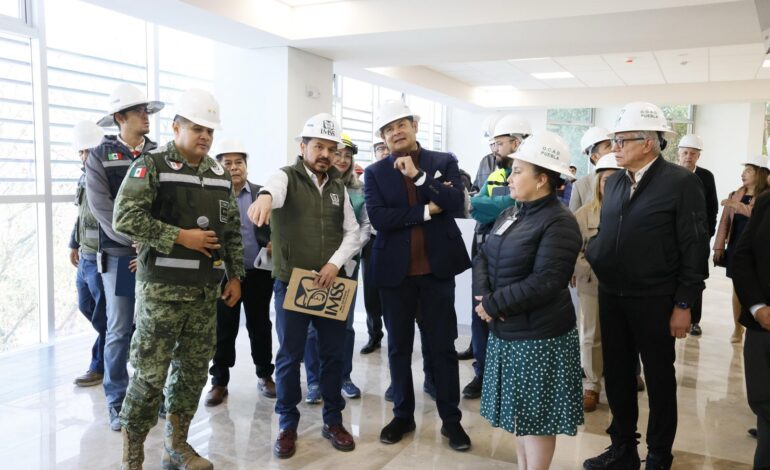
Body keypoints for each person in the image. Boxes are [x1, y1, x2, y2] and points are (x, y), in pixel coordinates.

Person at [114, 89, 244, 470]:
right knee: (150, 378)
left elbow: (232, 231)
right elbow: (125, 218)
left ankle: (177, 445)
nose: (204, 137)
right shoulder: (151, 165)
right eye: (197, 128)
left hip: (204, 294)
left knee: (190, 374)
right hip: (161, 294)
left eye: (210, 131)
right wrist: (180, 236)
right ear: (176, 127)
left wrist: (235, 275)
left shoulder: (219, 175)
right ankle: (133, 455)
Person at [584, 102, 709, 470]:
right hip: (613, 296)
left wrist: (684, 303)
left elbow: (694, 245)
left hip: (655, 299)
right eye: (613, 140)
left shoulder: (681, 182)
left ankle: (658, 454)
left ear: (649, 143)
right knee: (619, 376)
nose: (614, 147)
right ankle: (623, 447)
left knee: (658, 379)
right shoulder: (619, 181)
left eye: (621, 140)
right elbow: (612, 233)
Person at [248, 113, 362, 459]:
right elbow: (273, 191)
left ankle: (333, 420)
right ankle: (287, 425)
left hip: (331, 283)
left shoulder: (339, 188)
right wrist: (265, 198)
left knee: (332, 355)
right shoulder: (285, 177)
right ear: (303, 146)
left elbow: (353, 233)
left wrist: (333, 264)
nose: (325, 154)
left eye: (331, 148)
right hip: (292, 284)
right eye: (318, 146)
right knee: (289, 358)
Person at [364, 100, 472, 451]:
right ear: (383, 136)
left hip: (436, 273)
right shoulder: (375, 173)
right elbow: (381, 220)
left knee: (442, 348)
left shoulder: (443, 162)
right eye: (388, 128)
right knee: (398, 348)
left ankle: (451, 421)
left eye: (401, 124)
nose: (396, 131)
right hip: (396, 275)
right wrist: (426, 210)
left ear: (414, 125)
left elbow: (456, 203)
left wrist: (419, 178)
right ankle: (402, 416)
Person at [475, 131, 583, 470]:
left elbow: (546, 282)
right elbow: (483, 254)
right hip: (508, 330)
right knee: (520, 414)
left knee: (536, 418)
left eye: (518, 170)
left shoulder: (559, 221)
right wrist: (483, 294)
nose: (510, 177)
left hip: (539, 337)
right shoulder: (511, 213)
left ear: (542, 179)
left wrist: (492, 305)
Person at [87, 83, 164, 431]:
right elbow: (102, 209)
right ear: (120, 118)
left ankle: (153, 396)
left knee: (154, 328)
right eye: (138, 112)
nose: (146, 117)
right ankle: (117, 401)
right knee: (119, 329)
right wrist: (137, 241)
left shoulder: (161, 154)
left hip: (156, 254)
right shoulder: (99, 156)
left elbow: (169, 203)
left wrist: (151, 243)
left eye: (147, 111)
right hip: (119, 256)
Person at [462, 114, 530, 399]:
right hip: (484, 249)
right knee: (479, 313)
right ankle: (482, 373)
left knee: (506, 315)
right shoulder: (490, 165)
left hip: (513, 256)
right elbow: (477, 201)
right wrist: (481, 203)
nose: (494, 149)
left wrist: (479, 203)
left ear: (516, 142)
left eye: (499, 143)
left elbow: (503, 205)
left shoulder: (528, 171)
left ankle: (506, 377)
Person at [205, 138, 277, 406]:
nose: (234, 168)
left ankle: (265, 376)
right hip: (224, 274)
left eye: (238, 163)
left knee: (260, 326)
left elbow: (277, 225)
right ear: (219, 167)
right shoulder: (213, 196)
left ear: (246, 166)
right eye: (228, 163)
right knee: (224, 328)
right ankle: (219, 381)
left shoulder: (262, 194)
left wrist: (273, 241)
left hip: (258, 272)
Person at [304, 133, 370, 401]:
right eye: (337, 153)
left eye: (347, 155)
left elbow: (365, 227)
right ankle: (314, 382)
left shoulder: (359, 190)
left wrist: (342, 257)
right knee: (311, 328)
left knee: (344, 324)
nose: (341, 160)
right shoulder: (313, 185)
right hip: (313, 266)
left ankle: (344, 376)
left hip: (348, 266)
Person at [572, 153, 620, 412]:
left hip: (626, 284)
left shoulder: (633, 213)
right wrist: (592, 268)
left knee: (621, 335)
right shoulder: (583, 214)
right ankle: (591, 385)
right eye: (605, 181)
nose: (609, 186)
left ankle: (619, 381)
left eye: (616, 181)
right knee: (591, 335)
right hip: (593, 283)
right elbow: (573, 250)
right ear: (597, 183)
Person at [731, 182, 770, 468]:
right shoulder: (767, 202)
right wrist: (758, 307)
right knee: (765, 406)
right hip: (764, 326)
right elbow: (743, 256)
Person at [713, 155, 770, 343]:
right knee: (738, 289)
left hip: (760, 250)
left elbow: (755, 214)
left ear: (760, 173)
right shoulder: (735, 194)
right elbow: (724, 224)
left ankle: (754, 322)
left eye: (748, 170)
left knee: (756, 287)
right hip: (737, 247)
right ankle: (738, 328)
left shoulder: (765, 197)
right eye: (743, 170)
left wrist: (738, 206)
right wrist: (719, 247)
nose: (743, 174)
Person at [69, 120, 107, 388]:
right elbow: (81, 215)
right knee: (87, 307)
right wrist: (73, 243)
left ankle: (99, 365)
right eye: (81, 152)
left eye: (89, 151)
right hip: (85, 257)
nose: (84, 157)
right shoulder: (83, 178)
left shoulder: (107, 177)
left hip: (101, 258)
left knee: (105, 316)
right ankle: (122, 338)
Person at [677, 134, 718, 336]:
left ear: (698, 156)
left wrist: (708, 234)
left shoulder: (706, 176)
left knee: (695, 276)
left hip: (699, 237)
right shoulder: (670, 175)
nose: (688, 157)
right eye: (685, 152)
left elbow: (712, 207)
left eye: (693, 153)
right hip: (675, 236)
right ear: (679, 154)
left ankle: (695, 320)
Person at [360, 134, 388, 354]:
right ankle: (374, 335)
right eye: (379, 149)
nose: (384, 152)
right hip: (370, 240)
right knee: (370, 292)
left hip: (393, 239)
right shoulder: (367, 178)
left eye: (386, 148)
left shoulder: (402, 176)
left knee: (391, 292)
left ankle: (395, 334)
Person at [569, 127, 612, 213]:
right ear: (595, 157)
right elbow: (573, 221)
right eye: (608, 146)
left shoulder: (627, 177)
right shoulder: (580, 186)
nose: (614, 149)